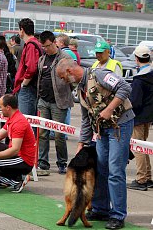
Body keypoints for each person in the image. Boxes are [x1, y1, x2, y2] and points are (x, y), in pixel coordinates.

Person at [56, 58, 134, 230]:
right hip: (101, 130)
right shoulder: (81, 89)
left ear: (69, 71)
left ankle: (118, 215)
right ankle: (100, 209)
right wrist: (82, 142)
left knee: (115, 171)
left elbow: (125, 87)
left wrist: (110, 108)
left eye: (63, 77)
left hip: (120, 125)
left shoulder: (99, 74)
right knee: (100, 169)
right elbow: (86, 119)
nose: (63, 81)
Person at [36, 31, 73, 176]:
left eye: (47, 46)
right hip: (43, 101)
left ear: (54, 42)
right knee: (42, 133)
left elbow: (73, 78)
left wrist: (66, 91)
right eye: (43, 46)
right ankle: (43, 162)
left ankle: (62, 162)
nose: (45, 49)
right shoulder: (42, 59)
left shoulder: (65, 58)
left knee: (59, 135)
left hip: (59, 102)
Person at [127, 45, 153, 191]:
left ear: (137, 59)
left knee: (138, 148)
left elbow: (135, 101)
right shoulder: (151, 74)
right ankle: (148, 177)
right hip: (148, 116)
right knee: (144, 146)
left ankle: (141, 178)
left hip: (138, 116)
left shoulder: (139, 79)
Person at [13, 18, 42, 118]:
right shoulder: (34, 44)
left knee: (26, 120)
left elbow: (31, 68)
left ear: (22, 30)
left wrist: (24, 84)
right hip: (29, 87)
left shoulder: (31, 45)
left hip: (28, 89)